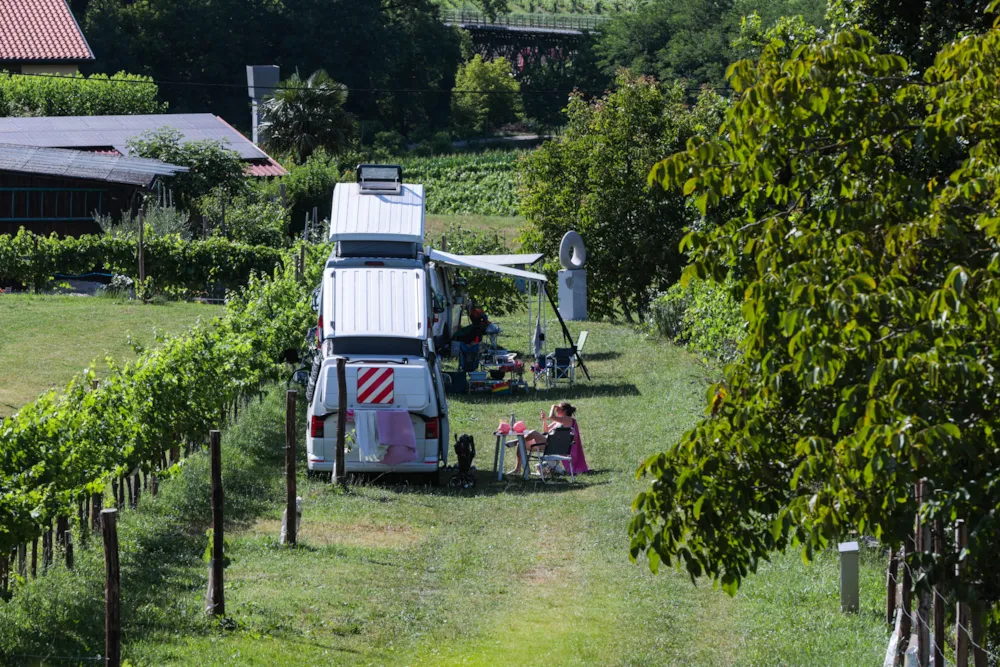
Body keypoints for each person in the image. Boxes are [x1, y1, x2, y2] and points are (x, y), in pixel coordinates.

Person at [512, 402, 589, 475]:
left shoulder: (568, 419)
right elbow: (546, 430)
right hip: (548, 443)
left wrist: (553, 406)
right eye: (556, 408)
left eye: (558, 408)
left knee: (533, 432)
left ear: (564, 410)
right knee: (521, 444)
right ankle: (517, 469)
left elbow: (551, 416)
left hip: (554, 445)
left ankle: (516, 441)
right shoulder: (558, 421)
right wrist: (544, 420)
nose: (556, 410)